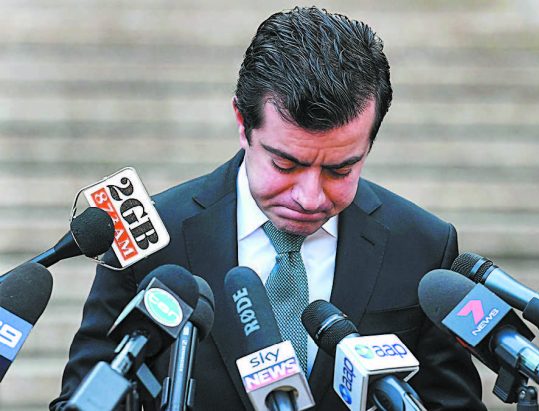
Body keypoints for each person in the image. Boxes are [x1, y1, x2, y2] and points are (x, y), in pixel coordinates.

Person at [51, 7, 486, 410]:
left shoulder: (423, 245)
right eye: (285, 164)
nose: (309, 197)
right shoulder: (147, 235)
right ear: (243, 124)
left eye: (340, 169)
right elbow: (83, 395)